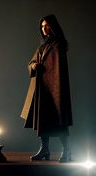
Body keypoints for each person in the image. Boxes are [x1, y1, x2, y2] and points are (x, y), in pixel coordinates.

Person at [20, 14, 73, 162]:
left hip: (55, 90)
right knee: (43, 121)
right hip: (42, 90)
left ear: (53, 26)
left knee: (59, 121)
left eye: (47, 25)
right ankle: (45, 150)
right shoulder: (42, 46)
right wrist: (34, 66)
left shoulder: (59, 45)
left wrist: (57, 88)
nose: (44, 29)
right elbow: (31, 62)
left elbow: (59, 69)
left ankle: (67, 151)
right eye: (42, 27)